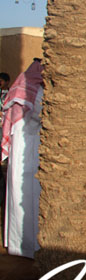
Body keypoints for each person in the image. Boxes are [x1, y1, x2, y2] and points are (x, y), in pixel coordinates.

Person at [2, 60, 43, 258]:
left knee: (23, 194)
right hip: (27, 147)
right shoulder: (30, 92)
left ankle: (19, 243)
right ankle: (27, 245)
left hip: (27, 147)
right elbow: (40, 115)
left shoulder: (19, 91)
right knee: (24, 195)